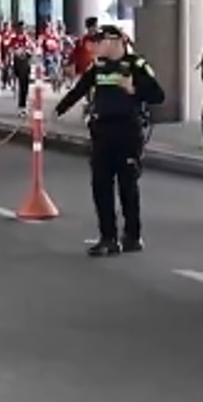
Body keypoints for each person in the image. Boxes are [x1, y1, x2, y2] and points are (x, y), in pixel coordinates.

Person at [54, 25, 165, 257]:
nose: (96, 45)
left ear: (116, 42)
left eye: (100, 40)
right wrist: (57, 111)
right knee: (100, 185)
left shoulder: (136, 65)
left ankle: (132, 235)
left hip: (127, 131)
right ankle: (108, 237)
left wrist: (134, 88)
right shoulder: (99, 67)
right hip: (102, 131)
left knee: (127, 186)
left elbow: (158, 95)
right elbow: (79, 89)